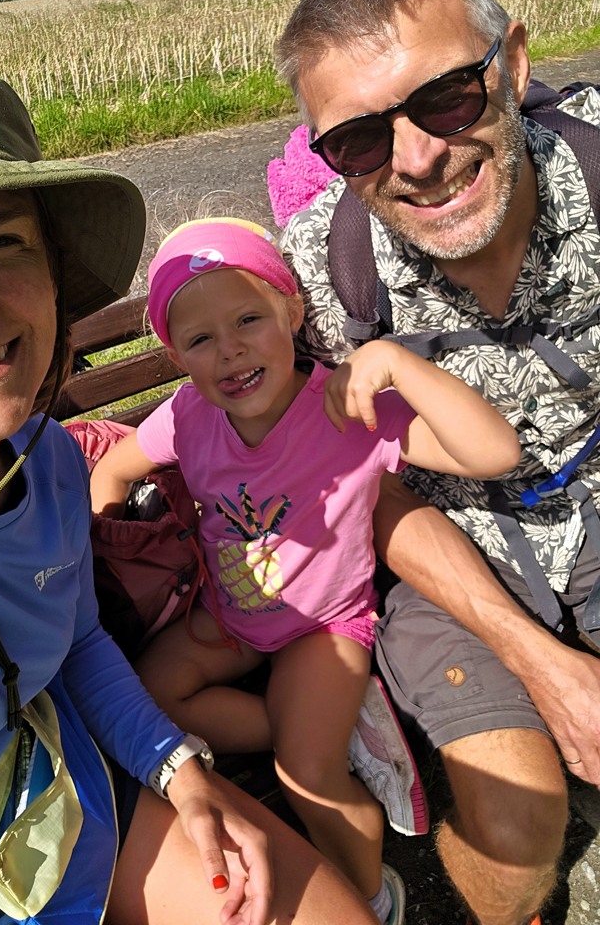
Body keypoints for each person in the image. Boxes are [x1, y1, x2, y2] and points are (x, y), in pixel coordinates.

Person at [0, 61, 383, 925]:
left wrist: (175, 767)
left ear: (53, 272)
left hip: (62, 800)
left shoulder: (50, 463)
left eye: (1, 243)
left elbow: (76, 637)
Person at [274, 0, 600, 925]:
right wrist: (540, 657)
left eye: (450, 97)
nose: (416, 158)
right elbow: (368, 488)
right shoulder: (325, 272)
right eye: (360, 142)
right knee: (513, 830)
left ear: (513, 64)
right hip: (447, 555)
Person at [89, 216, 520, 925]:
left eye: (249, 318)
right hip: (228, 617)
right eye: (200, 340)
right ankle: (338, 725)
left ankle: (371, 895)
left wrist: (399, 366)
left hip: (322, 628)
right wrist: (108, 529)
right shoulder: (189, 415)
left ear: (292, 309)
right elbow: (117, 464)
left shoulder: (348, 412)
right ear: (176, 357)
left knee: (306, 777)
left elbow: (494, 453)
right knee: (148, 701)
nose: (229, 351)